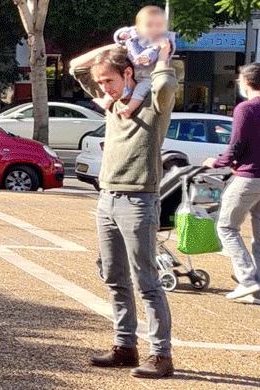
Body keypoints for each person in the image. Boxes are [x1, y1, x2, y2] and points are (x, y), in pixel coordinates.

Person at [71, 44, 176, 378]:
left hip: (139, 199)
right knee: (113, 274)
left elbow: (165, 86)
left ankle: (161, 354)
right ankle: (125, 345)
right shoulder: (113, 104)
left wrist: (158, 55)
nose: (104, 88)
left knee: (146, 279)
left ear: (128, 72)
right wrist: (119, 44)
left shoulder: (153, 106)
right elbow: (76, 67)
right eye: (100, 82)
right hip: (107, 198)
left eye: (109, 80)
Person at [204, 64, 260, 305]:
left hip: (250, 178)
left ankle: (248, 278)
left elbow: (236, 144)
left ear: (245, 81)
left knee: (227, 227)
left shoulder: (245, 108)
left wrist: (218, 162)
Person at [95, 6, 175, 118]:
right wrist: (120, 36)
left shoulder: (161, 40)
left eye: (159, 26)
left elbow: (155, 51)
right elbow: (120, 34)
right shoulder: (134, 33)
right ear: (138, 27)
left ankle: (130, 108)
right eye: (150, 25)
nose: (154, 29)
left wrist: (146, 57)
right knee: (113, 89)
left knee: (140, 91)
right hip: (133, 71)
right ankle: (106, 101)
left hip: (148, 76)